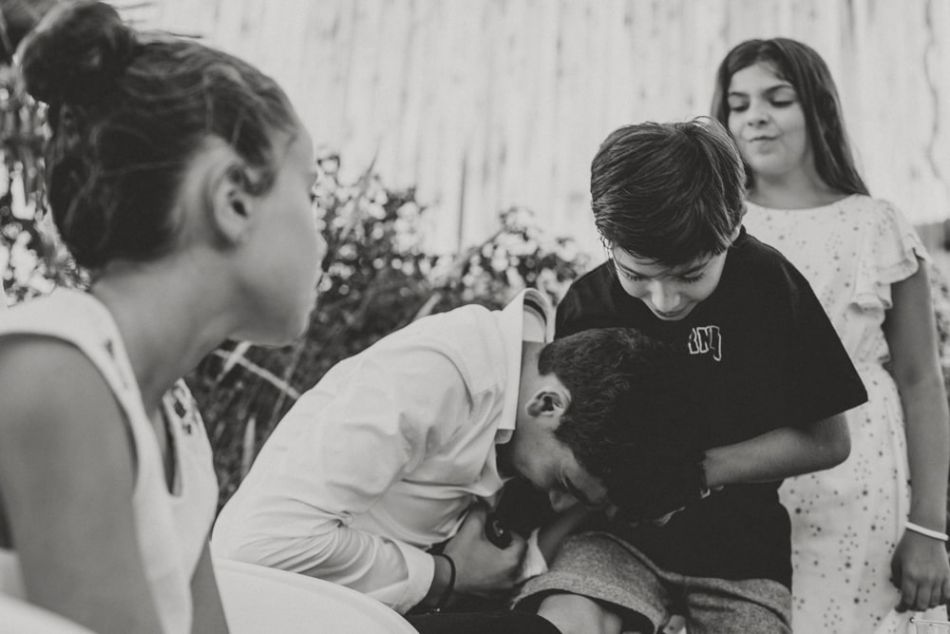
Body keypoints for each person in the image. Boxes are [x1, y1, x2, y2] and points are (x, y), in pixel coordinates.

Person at [0, 2, 326, 632]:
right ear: (233, 199)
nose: (321, 239)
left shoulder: (174, 417)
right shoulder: (56, 376)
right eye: (308, 193)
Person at [509, 118, 868, 634]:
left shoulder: (771, 287)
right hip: (615, 541)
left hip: (743, 554)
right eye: (637, 276)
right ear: (608, 239)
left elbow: (828, 441)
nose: (665, 300)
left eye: (691, 274)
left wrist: (694, 475)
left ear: (734, 226)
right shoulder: (587, 304)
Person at [211, 288, 687, 633]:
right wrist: (444, 578)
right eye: (566, 481)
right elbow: (258, 545)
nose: (559, 502)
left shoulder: (529, 416)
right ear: (547, 405)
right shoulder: (437, 375)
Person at [711, 37, 950, 633]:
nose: (755, 117)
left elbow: (921, 380)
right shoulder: (716, 226)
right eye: (738, 105)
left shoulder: (878, 224)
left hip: (863, 482)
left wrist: (928, 525)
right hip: (743, 476)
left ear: (816, 108)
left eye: (777, 99)